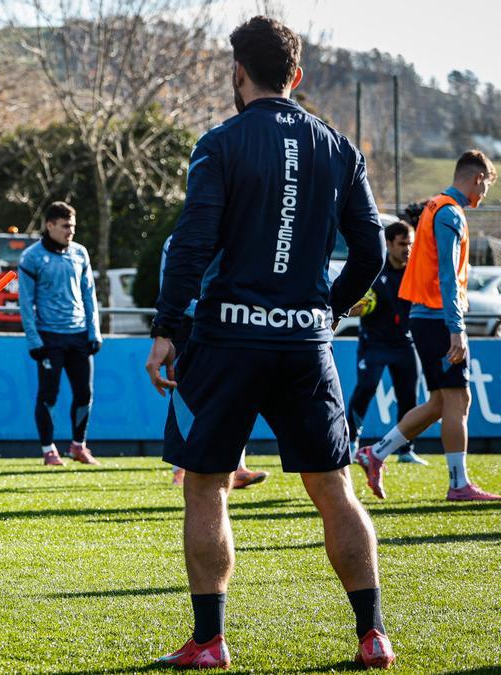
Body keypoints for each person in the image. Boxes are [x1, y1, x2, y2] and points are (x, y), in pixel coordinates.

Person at [144, 17, 394, 669]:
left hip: (225, 340)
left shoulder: (220, 143)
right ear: (298, 77)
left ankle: (210, 640)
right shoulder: (338, 147)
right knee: (334, 486)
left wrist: (168, 327)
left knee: (204, 484)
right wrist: (323, 312)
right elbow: (370, 250)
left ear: (237, 72)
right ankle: (372, 633)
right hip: (304, 344)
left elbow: (194, 243)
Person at [354, 151, 500, 501]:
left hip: (424, 317)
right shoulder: (450, 212)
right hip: (437, 319)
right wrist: (457, 327)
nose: (485, 196)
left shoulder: (436, 207)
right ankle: (458, 484)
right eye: (488, 186)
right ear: (478, 178)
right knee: (459, 399)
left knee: (438, 403)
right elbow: (449, 276)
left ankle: (375, 454)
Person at [159, 234, 270, 489]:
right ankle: (181, 468)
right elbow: (170, 288)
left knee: (236, 397)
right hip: (189, 329)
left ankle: (237, 467)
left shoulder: (237, 230)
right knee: (186, 397)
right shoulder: (176, 240)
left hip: (228, 327)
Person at [17, 201, 102, 466]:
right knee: (48, 395)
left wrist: (94, 331)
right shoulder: (31, 257)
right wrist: (34, 340)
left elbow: (89, 294)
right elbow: (25, 302)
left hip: (78, 335)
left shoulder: (80, 253)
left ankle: (79, 446)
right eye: (65, 226)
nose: (70, 232)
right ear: (50, 225)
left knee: (84, 394)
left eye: (73, 227)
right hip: (49, 337)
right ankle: (48, 450)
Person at [345, 221, 427, 465]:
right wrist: (355, 308)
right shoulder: (373, 270)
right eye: (403, 244)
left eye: (410, 244)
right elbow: (351, 305)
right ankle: (350, 442)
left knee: (409, 397)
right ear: (389, 243)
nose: (408, 249)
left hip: (405, 344)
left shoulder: (414, 272)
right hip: (375, 344)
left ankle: (405, 450)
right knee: (366, 388)